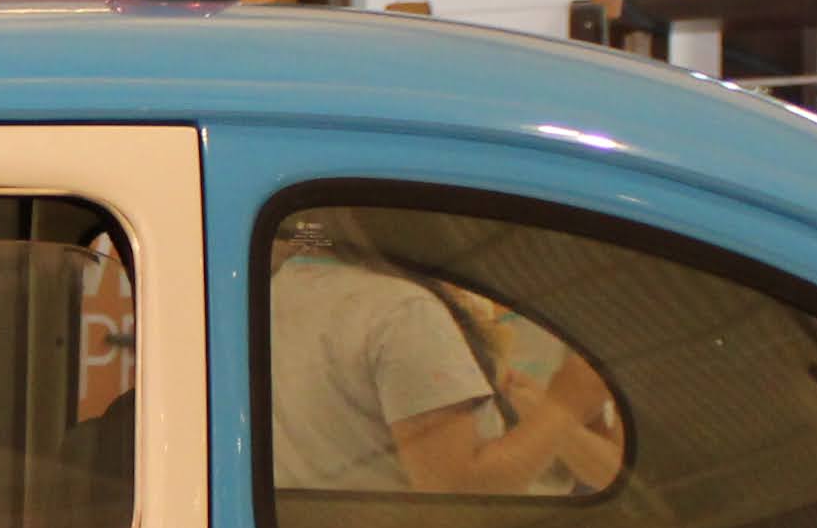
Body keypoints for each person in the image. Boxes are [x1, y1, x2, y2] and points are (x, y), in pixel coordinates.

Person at [264, 210, 620, 496]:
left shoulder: (281, 289)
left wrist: (547, 414)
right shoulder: (403, 310)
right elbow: (456, 490)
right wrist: (561, 408)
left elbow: (610, 469)